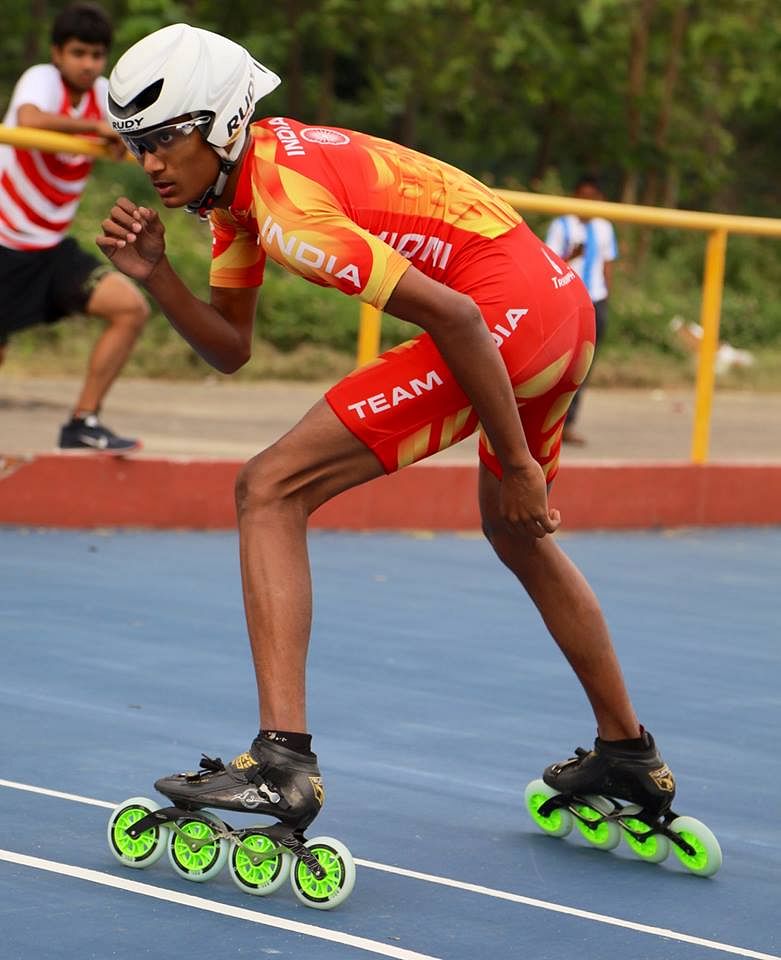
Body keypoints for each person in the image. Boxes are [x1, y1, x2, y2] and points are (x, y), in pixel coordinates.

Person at [98, 25, 675, 837]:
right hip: (556, 307)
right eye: (137, 145)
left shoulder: (286, 209)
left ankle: (280, 762)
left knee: (268, 489)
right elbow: (229, 349)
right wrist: (157, 274)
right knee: (517, 536)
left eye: (165, 139)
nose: (151, 162)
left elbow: (459, 317)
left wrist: (515, 462)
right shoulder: (243, 194)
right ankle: (628, 753)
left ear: (225, 122)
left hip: (500, 318)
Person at [0, 2, 149, 452]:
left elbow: (130, 132)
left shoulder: (104, 92)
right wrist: (98, 128)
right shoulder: (41, 80)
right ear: (57, 53)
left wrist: (120, 139)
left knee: (130, 309)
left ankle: (83, 422)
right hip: (3, 243)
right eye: (79, 53)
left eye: (97, 55)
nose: (89, 65)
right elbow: (29, 120)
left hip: (50, 250)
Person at [545, 175, 618, 446]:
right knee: (558, 361)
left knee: (584, 366)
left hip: (595, 300)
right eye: (581, 197)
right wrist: (571, 254)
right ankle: (546, 423)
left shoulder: (605, 227)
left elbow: (607, 263)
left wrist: (607, 298)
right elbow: (548, 263)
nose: (586, 203)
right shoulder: (561, 225)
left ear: (599, 199)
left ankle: (569, 423)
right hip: (567, 299)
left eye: (591, 198)